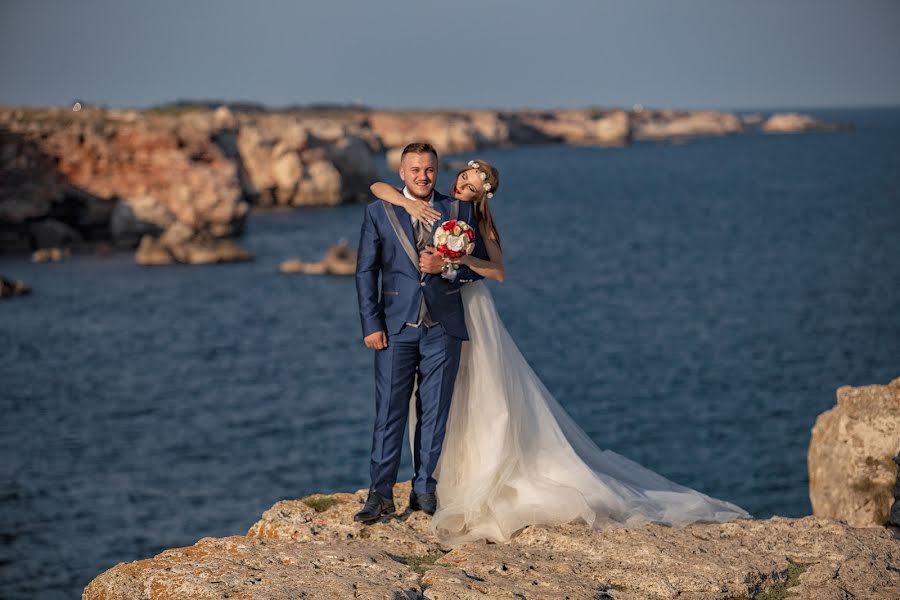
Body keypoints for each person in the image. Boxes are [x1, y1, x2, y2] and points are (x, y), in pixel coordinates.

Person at [370, 158, 751, 544]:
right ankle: (439, 481)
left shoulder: (475, 218)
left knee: (481, 396)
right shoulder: (437, 206)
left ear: (482, 194)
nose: (461, 187)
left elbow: (498, 271)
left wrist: (457, 257)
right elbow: (379, 190)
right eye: (461, 179)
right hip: (436, 311)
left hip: (469, 312)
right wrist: (410, 206)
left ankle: (468, 479)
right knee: (442, 401)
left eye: (470, 185)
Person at [354, 143, 482, 524]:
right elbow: (366, 272)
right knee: (389, 412)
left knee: (434, 412)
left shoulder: (460, 210)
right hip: (394, 328)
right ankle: (380, 493)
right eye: (415, 170)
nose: (423, 176)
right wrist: (371, 324)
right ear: (402, 172)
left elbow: (475, 270)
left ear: (437, 170)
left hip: (443, 327)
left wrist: (447, 266)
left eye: (429, 169)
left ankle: (424, 487)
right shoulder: (379, 211)